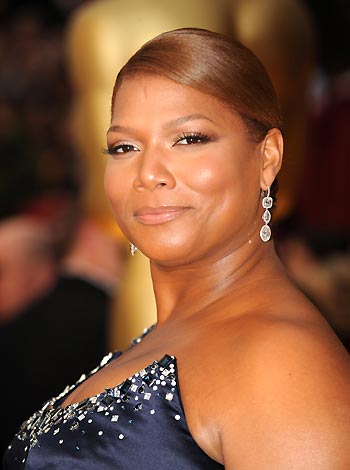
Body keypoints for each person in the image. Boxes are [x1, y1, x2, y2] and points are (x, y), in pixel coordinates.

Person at [3, 28, 350, 469]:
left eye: (189, 139)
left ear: (267, 159)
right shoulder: (174, 334)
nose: (149, 173)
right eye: (124, 146)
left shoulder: (281, 363)